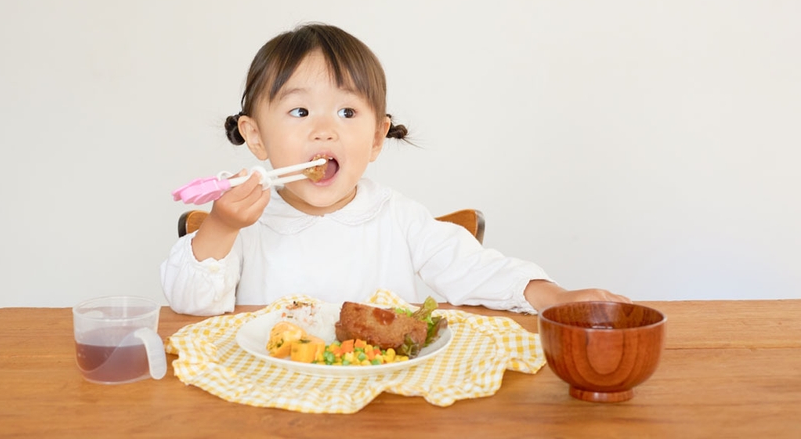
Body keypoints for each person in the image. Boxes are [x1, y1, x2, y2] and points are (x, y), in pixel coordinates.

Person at [161, 23, 629, 316]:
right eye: (300, 113)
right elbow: (190, 302)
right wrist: (221, 226)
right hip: (269, 398)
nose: (325, 131)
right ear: (255, 136)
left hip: (384, 399)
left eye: (347, 113)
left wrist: (556, 297)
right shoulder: (248, 225)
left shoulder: (401, 220)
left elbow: (476, 270)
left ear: (378, 137)